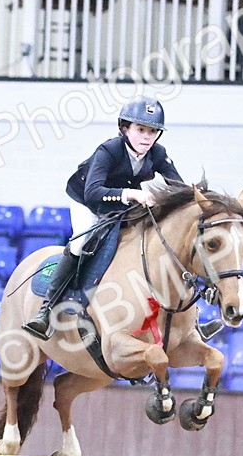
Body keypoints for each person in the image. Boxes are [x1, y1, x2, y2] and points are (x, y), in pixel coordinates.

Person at [22, 95, 183, 340]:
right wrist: (132, 194)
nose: (146, 137)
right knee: (80, 243)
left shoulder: (158, 153)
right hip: (87, 201)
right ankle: (46, 310)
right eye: (140, 129)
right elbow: (93, 192)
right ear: (125, 128)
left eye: (153, 131)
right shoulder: (108, 150)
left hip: (121, 204)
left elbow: (178, 186)